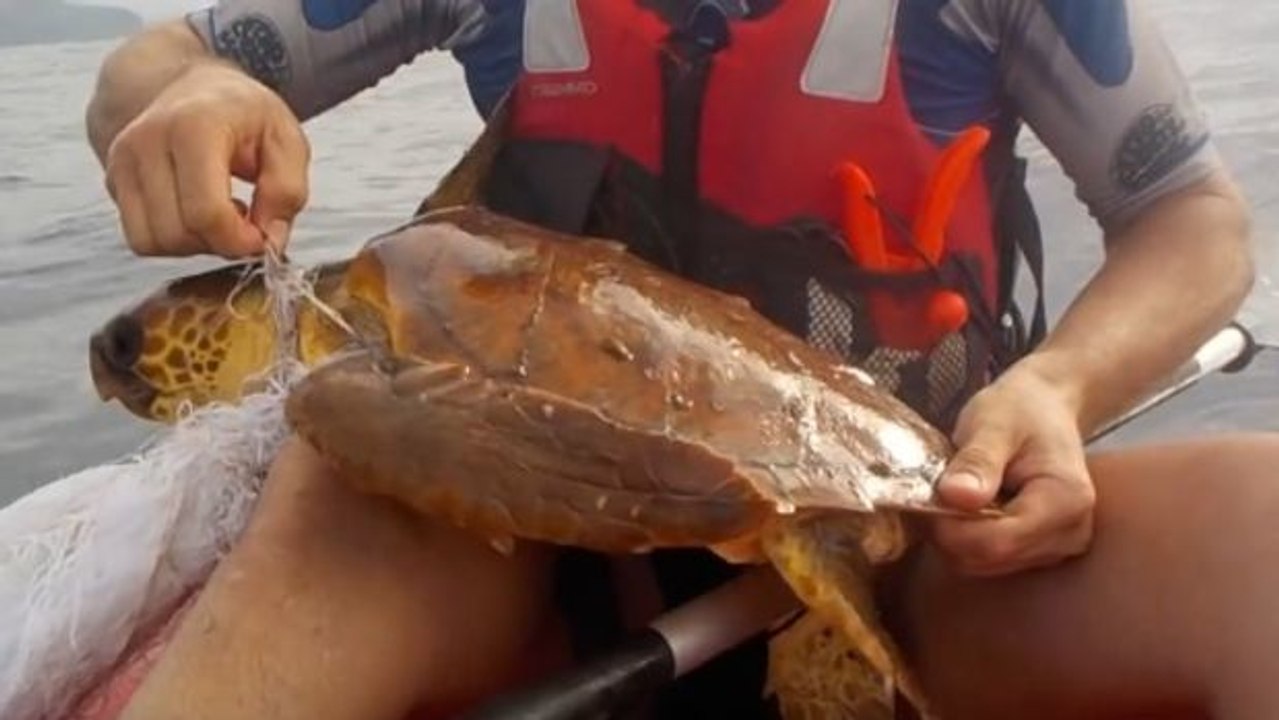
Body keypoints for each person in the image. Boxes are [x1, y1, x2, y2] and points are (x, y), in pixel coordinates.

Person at [82, 1, 1274, 718]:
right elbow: (150, 66)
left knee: (1258, 536)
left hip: (915, 524)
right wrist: (195, 91)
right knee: (340, 463)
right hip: (528, 541)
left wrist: (1056, 387)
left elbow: (1194, 219)